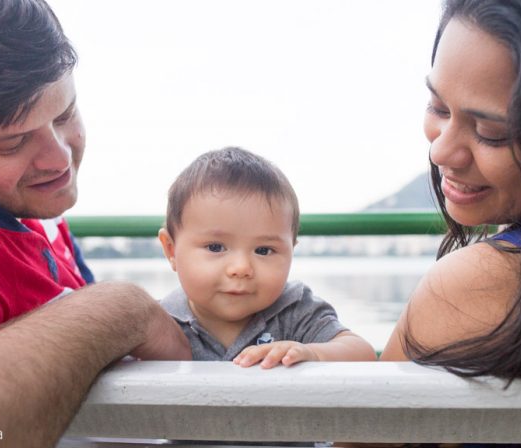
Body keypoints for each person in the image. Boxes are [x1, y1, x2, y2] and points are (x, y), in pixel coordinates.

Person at [0, 1, 190, 448]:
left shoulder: (29, 209)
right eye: (12, 142)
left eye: (64, 115)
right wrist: (120, 310)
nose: (59, 160)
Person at [381, 0, 521, 381]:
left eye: (491, 134)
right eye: (438, 108)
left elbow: (361, 434)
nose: (440, 151)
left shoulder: (482, 284)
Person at [157, 147, 377, 367]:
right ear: (171, 250)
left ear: (292, 250)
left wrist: (313, 353)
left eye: (263, 250)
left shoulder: (295, 310)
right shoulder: (158, 322)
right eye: (215, 247)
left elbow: (363, 353)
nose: (241, 268)